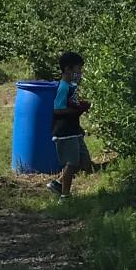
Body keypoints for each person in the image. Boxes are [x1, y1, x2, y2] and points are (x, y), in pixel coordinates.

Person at [49, 51, 91, 197]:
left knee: (83, 161)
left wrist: (79, 126)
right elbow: (58, 110)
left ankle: (57, 183)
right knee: (72, 162)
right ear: (68, 69)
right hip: (64, 131)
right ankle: (64, 196)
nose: (80, 73)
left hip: (73, 130)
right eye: (78, 69)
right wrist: (78, 109)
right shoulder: (64, 87)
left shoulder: (72, 86)